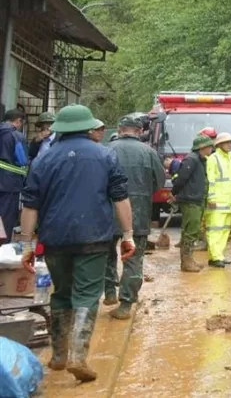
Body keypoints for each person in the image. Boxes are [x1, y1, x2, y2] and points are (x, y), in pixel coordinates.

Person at [19, 105, 134, 383]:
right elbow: (120, 197)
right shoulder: (106, 155)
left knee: (61, 293)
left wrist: (26, 244)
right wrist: (128, 234)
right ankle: (78, 357)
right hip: (93, 238)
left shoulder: (43, 160)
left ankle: (58, 354)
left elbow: (30, 205)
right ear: (87, 127)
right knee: (86, 294)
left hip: (55, 238)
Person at [103, 115, 162, 320]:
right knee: (133, 258)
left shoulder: (107, 150)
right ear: (139, 131)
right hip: (139, 212)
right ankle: (126, 304)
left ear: (120, 130)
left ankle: (109, 292)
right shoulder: (149, 152)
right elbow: (160, 181)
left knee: (106, 253)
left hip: (108, 211)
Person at [171, 134, 213, 272]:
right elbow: (181, 179)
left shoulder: (201, 160)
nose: (211, 148)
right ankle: (186, 262)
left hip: (197, 199)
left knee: (191, 230)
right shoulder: (192, 160)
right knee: (191, 230)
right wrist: (174, 193)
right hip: (190, 200)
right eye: (209, 146)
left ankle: (188, 260)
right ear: (202, 147)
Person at [204, 133, 231, 268]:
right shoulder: (213, 158)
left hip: (229, 201)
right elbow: (211, 180)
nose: (230, 145)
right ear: (219, 144)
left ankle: (219, 255)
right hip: (217, 201)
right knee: (215, 229)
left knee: (225, 230)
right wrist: (211, 198)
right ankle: (215, 257)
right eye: (227, 142)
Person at [0, 109, 28, 241]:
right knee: (6, 216)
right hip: (9, 183)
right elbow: (22, 160)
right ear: (18, 121)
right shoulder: (16, 136)